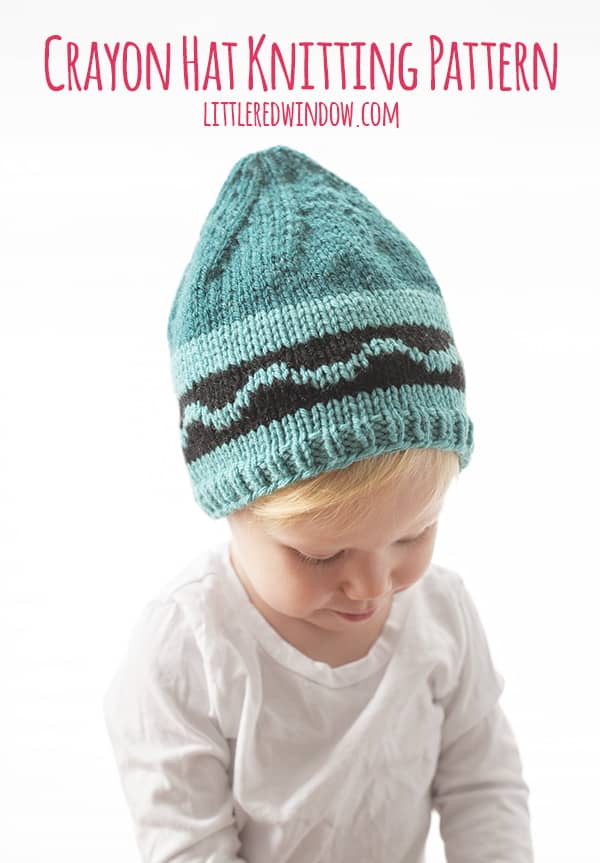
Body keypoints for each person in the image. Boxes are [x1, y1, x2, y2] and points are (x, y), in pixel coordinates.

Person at [102, 145, 535, 862]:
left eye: (413, 534)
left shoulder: (442, 617)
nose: (371, 585)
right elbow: (188, 844)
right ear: (233, 505)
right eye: (322, 553)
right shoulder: (187, 653)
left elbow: (483, 786)